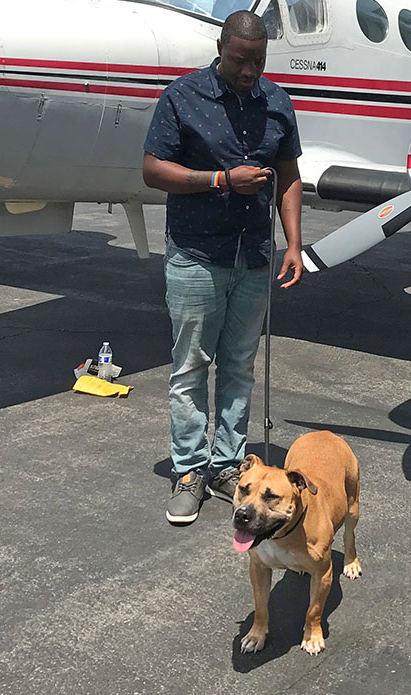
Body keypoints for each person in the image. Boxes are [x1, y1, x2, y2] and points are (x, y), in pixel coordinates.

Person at [142, 10, 304, 525]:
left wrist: (295, 244)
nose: (250, 71)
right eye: (240, 61)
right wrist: (219, 180)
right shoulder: (183, 97)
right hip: (196, 255)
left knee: (239, 366)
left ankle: (229, 465)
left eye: (258, 61)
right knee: (191, 367)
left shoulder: (277, 103)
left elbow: (290, 175)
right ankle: (189, 470)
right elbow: (152, 170)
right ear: (220, 48)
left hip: (253, 256)